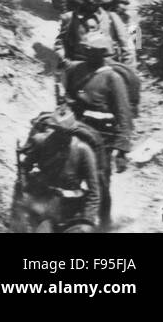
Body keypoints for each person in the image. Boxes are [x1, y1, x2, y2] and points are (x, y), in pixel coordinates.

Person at [62, 34, 134, 229]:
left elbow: (124, 115)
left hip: (103, 138)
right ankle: (75, 220)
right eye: (86, 49)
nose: (87, 53)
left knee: (100, 182)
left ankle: (103, 224)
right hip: (77, 132)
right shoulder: (78, 70)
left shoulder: (113, 78)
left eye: (92, 51)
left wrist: (122, 150)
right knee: (71, 175)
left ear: (102, 53)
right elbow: (72, 93)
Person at [14, 110, 103, 233]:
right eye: (59, 131)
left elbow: (94, 193)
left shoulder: (83, 151)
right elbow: (25, 167)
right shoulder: (41, 142)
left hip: (74, 210)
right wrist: (26, 189)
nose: (63, 136)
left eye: (67, 133)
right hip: (45, 206)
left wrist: (87, 220)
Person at [55, 0, 136, 69]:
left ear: (100, 0)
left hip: (109, 63)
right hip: (80, 64)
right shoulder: (70, 18)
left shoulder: (111, 17)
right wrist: (62, 56)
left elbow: (126, 44)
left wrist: (128, 68)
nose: (91, 1)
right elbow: (60, 42)